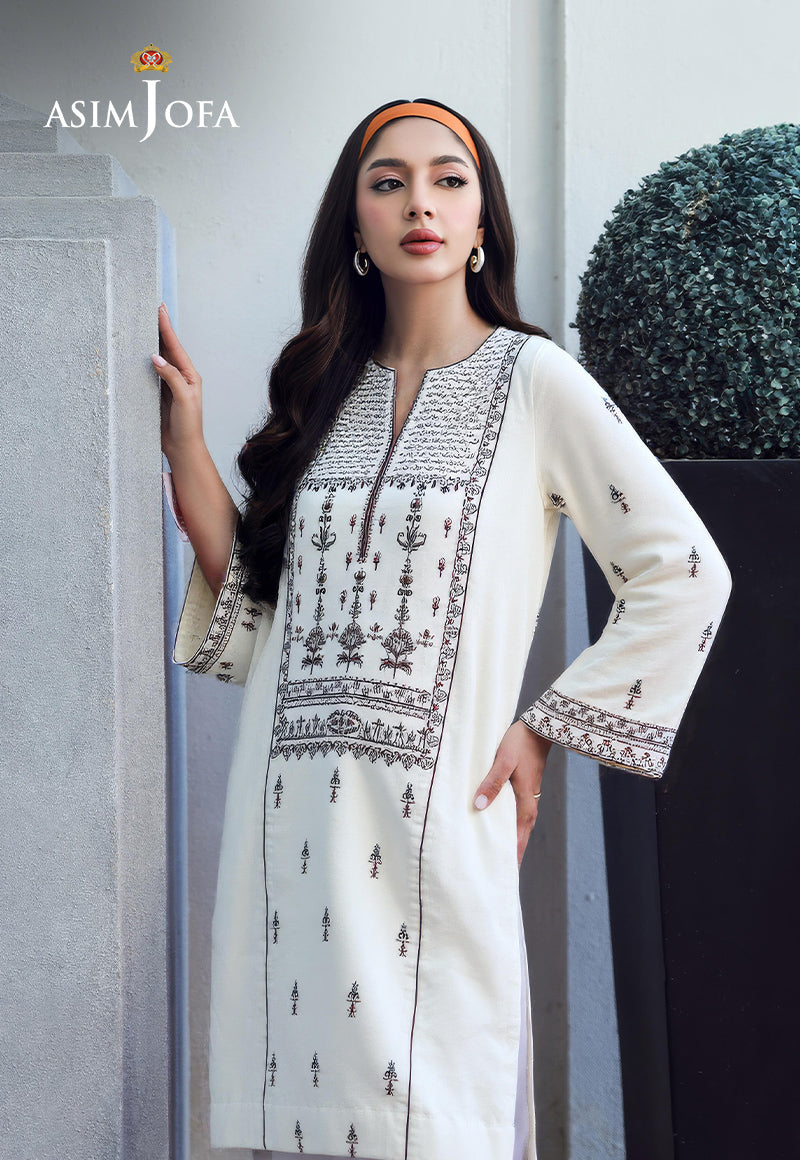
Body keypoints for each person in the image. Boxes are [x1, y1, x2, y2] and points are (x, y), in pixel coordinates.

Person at [154, 98, 732, 1160]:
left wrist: (545, 726)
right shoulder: (324, 396)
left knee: (438, 1106)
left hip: (436, 821)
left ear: (480, 221)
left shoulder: (534, 382)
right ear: (356, 227)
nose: (419, 202)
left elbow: (685, 570)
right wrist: (186, 444)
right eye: (388, 183)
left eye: (447, 179)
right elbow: (270, 612)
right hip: (286, 820)